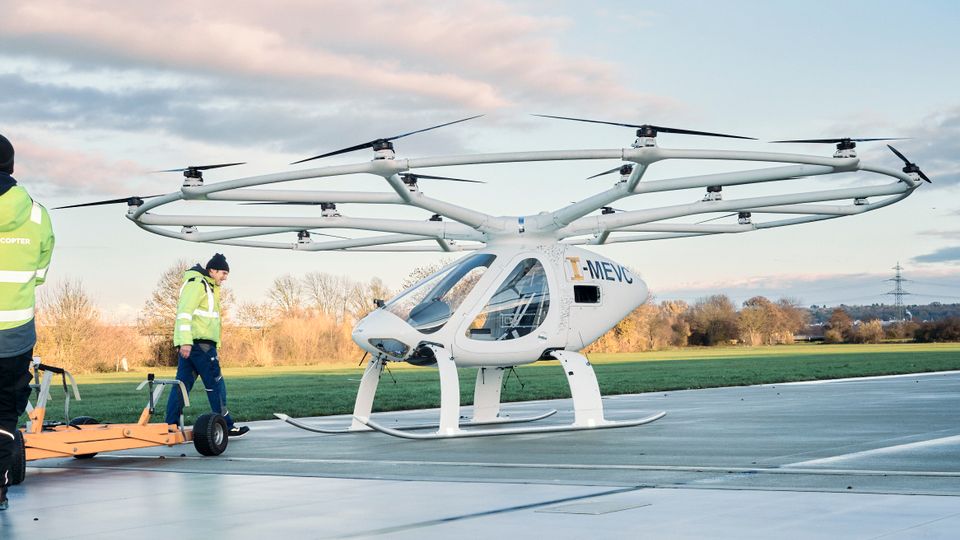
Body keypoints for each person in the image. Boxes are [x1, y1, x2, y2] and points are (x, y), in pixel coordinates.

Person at [0, 133, 54, 511]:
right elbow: (38, 275)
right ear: (13, 167)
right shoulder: (37, 215)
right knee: (5, 414)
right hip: (15, 337)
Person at [164, 253, 248, 438]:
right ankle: (226, 424)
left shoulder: (208, 286)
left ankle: (170, 424)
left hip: (195, 345)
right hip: (200, 345)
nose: (225, 278)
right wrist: (185, 341)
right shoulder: (198, 284)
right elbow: (184, 313)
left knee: (182, 385)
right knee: (215, 383)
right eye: (223, 273)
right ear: (212, 270)